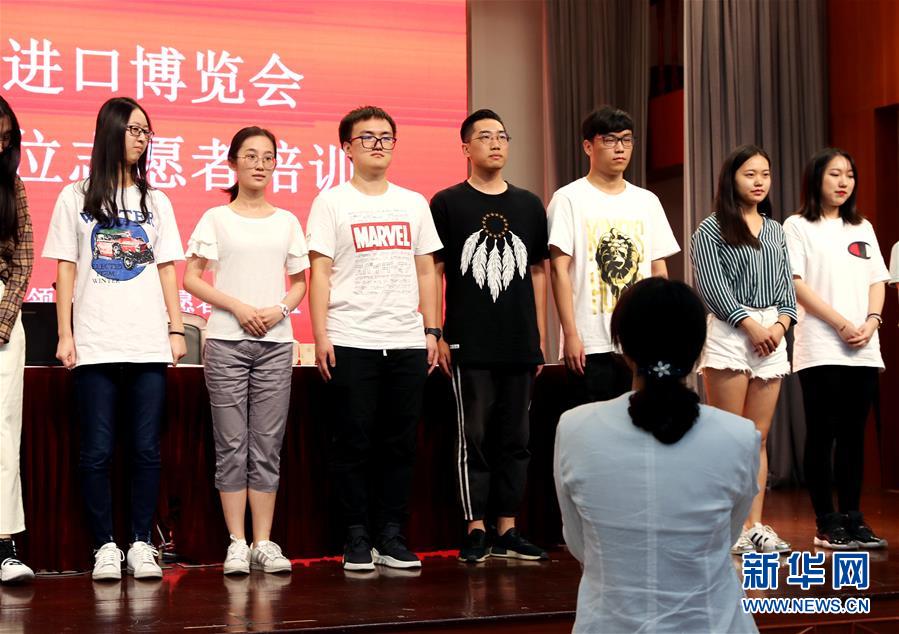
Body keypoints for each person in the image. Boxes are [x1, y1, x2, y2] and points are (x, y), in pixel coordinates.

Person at [554, 277, 760, 634]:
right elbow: (724, 539)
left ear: (623, 347)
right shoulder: (740, 436)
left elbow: (579, 542)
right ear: (698, 352)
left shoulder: (575, 428)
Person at [42, 97, 186, 581]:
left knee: (146, 448)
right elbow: (66, 267)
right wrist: (65, 333)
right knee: (97, 450)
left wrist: (176, 327)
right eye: (134, 129)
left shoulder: (156, 200)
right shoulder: (75, 196)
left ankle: (141, 542)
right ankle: (104, 545)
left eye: (147, 131)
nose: (142, 138)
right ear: (111, 131)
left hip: (147, 339)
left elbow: (166, 268)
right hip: (95, 338)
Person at [306, 105, 441, 572]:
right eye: (367, 137)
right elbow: (320, 272)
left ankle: (391, 534)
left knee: (400, 445)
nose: (378, 145)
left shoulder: (413, 203)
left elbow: (427, 271)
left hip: (405, 339)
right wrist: (320, 333)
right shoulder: (331, 203)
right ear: (347, 147)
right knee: (354, 443)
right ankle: (357, 536)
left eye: (386, 137)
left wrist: (432, 329)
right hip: (351, 337)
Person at [183, 126, 309, 574]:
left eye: (268, 157)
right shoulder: (216, 218)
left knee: (267, 445)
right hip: (225, 341)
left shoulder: (286, 221)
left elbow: (300, 283)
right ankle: (236, 541)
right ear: (233, 162)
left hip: (275, 344)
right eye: (251, 155)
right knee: (232, 443)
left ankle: (264, 541)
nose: (260, 164)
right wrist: (236, 306)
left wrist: (279, 310)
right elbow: (191, 278)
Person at [430, 109, 549, 564]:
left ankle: (507, 528)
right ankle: (475, 527)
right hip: (469, 341)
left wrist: (539, 335)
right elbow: (435, 271)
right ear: (466, 148)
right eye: (484, 136)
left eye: (502, 135)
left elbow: (538, 272)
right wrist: (437, 331)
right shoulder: (447, 203)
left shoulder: (529, 204)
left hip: (519, 342)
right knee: (474, 437)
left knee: (516, 437)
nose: (496, 143)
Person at [691, 144, 796, 555]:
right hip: (732, 333)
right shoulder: (710, 229)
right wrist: (749, 325)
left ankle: (755, 525)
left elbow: (787, 288)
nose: (759, 182)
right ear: (731, 178)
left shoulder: (775, 230)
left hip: (772, 333)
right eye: (750, 174)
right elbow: (712, 287)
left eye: (765, 174)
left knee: (756, 439)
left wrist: (780, 325)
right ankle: (727, 525)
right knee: (728, 438)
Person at [784, 148, 890, 549]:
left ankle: (853, 517)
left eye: (849, 174)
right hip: (822, 344)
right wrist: (840, 323)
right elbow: (796, 284)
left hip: (864, 344)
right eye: (834, 174)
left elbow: (877, 279)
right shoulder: (797, 226)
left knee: (853, 436)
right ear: (816, 179)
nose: (844, 182)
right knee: (822, 432)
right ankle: (826, 522)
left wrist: (872, 321)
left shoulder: (862, 226)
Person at [547, 106, 680, 407]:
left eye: (626, 139)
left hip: (640, 339)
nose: (620, 148)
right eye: (609, 140)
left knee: (641, 420)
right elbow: (558, 270)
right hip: (591, 342)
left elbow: (659, 271)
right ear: (588, 146)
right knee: (592, 424)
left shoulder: (647, 201)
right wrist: (571, 334)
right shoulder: (569, 199)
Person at [0, 95, 35, 584]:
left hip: (2, 309)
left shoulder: (13, 186)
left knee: (4, 430)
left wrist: (4, 319)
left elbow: (24, 258)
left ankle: (4, 545)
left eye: (7, 139)